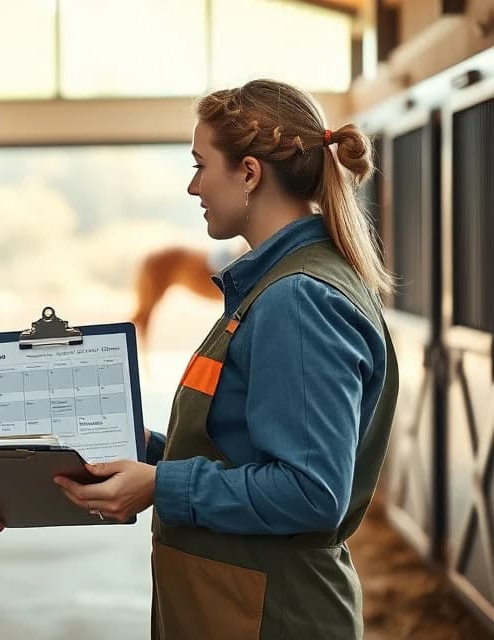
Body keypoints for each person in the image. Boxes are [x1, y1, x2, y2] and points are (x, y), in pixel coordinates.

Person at [54, 79, 399, 639]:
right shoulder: (271, 286)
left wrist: (159, 486)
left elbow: (310, 492)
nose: (193, 186)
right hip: (238, 604)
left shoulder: (297, 299)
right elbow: (242, 449)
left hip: (271, 613)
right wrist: (142, 451)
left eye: (199, 164)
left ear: (248, 173)